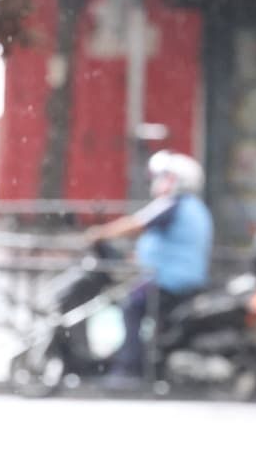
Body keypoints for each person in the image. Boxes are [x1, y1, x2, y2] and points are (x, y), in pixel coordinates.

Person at [84, 150, 213, 380]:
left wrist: (100, 234)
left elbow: (136, 224)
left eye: (165, 177)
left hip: (168, 281)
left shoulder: (172, 204)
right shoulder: (195, 208)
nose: (159, 182)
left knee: (131, 307)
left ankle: (129, 369)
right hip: (180, 279)